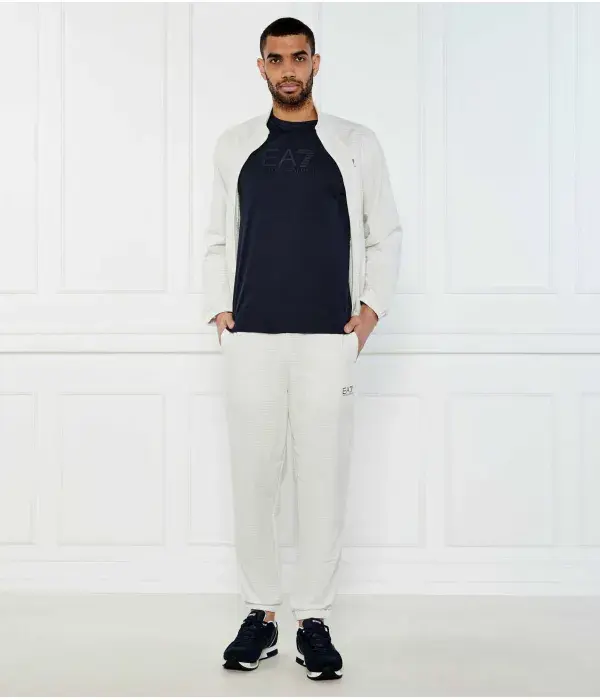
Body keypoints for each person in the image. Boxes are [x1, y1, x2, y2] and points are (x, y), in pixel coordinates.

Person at [202, 16, 402, 682]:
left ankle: (312, 620)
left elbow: (385, 233)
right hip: (252, 338)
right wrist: (221, 311)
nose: (288, 69)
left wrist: (369, 314)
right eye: (275, 59)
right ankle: (260, 616)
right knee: (254, 480)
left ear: (316, 62)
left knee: (322, 480)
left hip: (327, 341)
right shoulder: (235, 145)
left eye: (298, 58)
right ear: (261, 66)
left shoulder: (356, 143)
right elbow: (216, 237)